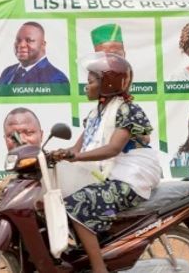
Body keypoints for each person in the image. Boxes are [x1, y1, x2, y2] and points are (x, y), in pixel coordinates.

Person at [51, 53, 160, 273]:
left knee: (77, 205)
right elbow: (76, 149)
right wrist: (59, 154)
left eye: (90, 82)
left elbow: (113, 148)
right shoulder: (96, 113)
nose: (86, 87)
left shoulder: (128, 110)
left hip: (131, 175)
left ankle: (98, 267)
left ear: (107, 84)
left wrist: (76, 157)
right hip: (110, 172)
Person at [0, 22, 69, 85]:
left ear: (43, 45)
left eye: (29, 40)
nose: (21, 45)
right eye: (18, 40)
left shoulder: (57, 79)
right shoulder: (7, 72)